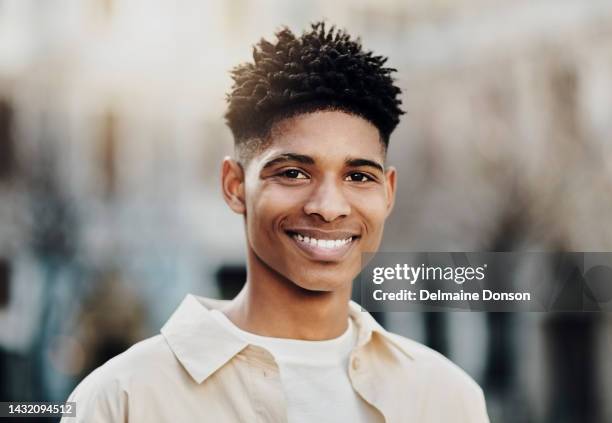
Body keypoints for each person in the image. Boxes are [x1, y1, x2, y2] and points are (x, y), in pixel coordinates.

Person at [62, 21, 489, 422]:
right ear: (234, 185)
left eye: (358, 176)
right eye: (292, 173)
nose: (328, 206)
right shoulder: (124, 398)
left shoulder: (447, 398)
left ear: (388, 193)